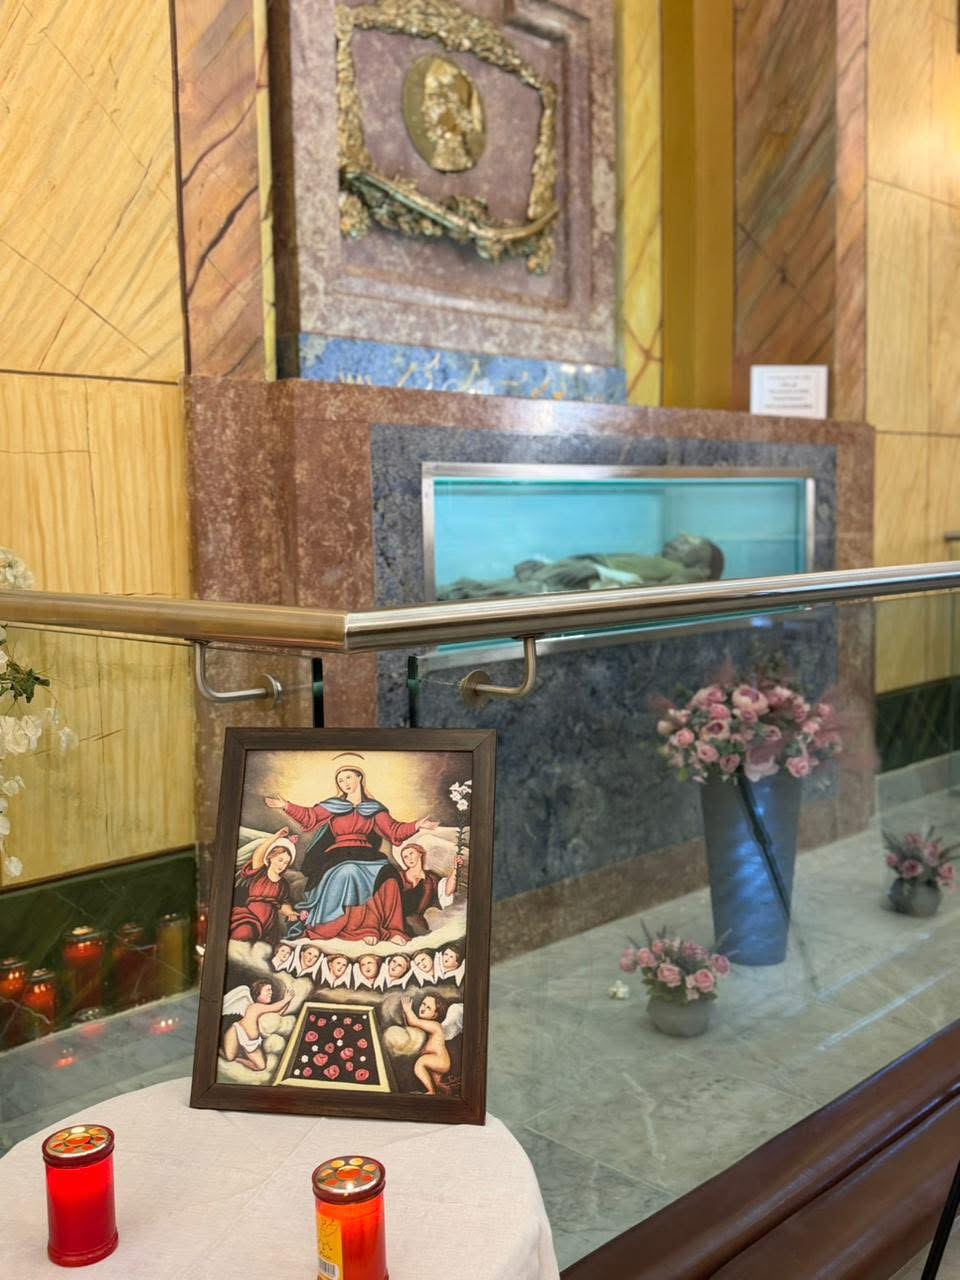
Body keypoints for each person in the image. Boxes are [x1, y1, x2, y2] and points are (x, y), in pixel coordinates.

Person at [265, 757, 437, 946]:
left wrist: (417, 825)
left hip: (367, 853)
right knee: (350, 871)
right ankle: (358, 929)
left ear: (359, 777)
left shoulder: (373, 808)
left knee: (389, 877)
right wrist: (286, 806)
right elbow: (310, 816)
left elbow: (394, 830)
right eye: (340, 780)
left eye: (348, 777)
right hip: (339, 854)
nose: (344, 783)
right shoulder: (334, 805)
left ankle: (391, 929)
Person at [437, 533, 725, 600]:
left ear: (701, 563)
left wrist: (601, 573)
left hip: (584, 582)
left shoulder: (682, 575)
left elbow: (646, 592)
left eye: (690, 542)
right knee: (507, 588)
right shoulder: (656, 561)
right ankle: (451, 595)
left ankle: (451, 596)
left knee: (509, 592)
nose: (680, 539)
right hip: (580, 574)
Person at [229, 831, 299, 947]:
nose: (282, 865)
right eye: (280, 860)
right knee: (243, 934)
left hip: (269, 926)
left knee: (263, 948)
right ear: (271, 857)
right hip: (250, 917)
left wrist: (289, 912)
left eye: (286, 863)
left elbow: (283, 903)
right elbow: (258, 854)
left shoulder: (283, 884)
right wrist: (276, 836)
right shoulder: (260, 872)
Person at [221, 980, 291, 1073]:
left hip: (252, 1043)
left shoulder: (263, 1009)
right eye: (268, 990)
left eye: (271, 990)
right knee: (229, 1057)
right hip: (237, 1032)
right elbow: (274, 1007)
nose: (271, 992)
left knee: (261, 1066)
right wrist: (286, 999)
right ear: (258, 993)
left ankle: (239, 1060)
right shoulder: (254, 1007)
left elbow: (278, 1013)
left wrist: (288, 1002)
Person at [398, 843, 462, 936]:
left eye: (411, 853)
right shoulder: (399, 877)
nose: (409, 858)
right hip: (396, 920)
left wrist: (456, 869)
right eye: (405, 857)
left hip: (417, 923)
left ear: (420, 854)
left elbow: (447, 891)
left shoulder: (431, 878)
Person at [401, 992, 450, 1095]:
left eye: (428, 1008)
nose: (423, 1008)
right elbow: (412, 1027)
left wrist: (407, 1010)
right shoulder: (428, 1025)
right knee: (435, 1083)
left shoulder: (435, 1025)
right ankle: (440, 1089)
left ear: (434, 1015)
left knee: (420, 1063)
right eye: (423, 1004)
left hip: (440, 1060)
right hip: (438, 1060)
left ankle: (431, 1091)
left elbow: (414, 1021)